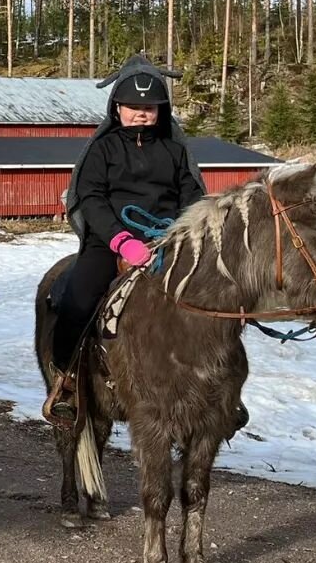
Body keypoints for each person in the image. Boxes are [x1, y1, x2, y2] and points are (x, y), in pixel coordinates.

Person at [44, 54, 206, 424]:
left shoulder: (175, 149)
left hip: (167, 240)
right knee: (78, 300)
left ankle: (215, 387)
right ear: (116, 107)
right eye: (133, 106)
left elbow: (192, 196)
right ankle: (66, 378)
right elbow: (92, 198)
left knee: (214, 300)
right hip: (110, 241)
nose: (141, 114)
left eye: (149, 107)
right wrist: (121, 240)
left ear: (160, 110)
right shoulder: (102, 149)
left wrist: (177, 233)